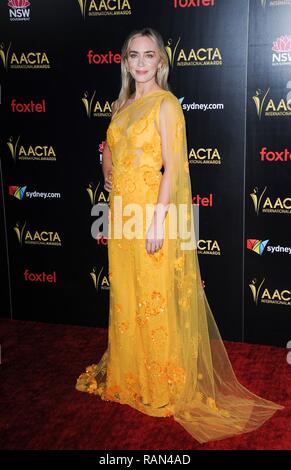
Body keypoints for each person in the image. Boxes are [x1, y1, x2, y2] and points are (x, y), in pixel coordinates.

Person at [76, 27, 283, 443]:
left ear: (161, 62)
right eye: (133, 54)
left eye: (148, 55)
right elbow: (108, 150)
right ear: (124, 61)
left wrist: (157, 220)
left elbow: (174, 167)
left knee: (155, 298)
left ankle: (161, 384)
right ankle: (132, 375)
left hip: (151, 215)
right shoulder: (121, 105)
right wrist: (109, 177)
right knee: (128, 294)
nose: (140, 62)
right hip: (121, 217)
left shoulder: (166, 105)